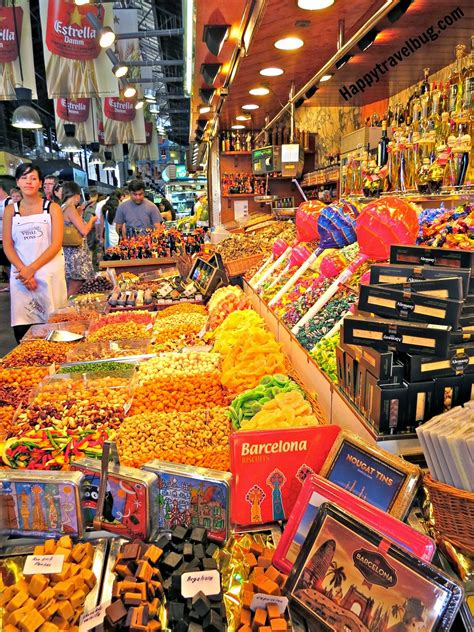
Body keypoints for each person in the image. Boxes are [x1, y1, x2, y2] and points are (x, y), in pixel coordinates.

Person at [2, 164, 67, 343]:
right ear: (17, 182)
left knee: (54, 323)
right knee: (24, 327)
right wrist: (24, 270)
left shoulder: (52, 208)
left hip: (48, 273)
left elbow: (56, 244)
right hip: (21, 275)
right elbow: (8, 244)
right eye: (24, 178)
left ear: (40, 183)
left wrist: (32, 269)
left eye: (33, 178)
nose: (28, 182)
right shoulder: (10, 211)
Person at [61, 181, 96, 296]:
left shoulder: (62, 208)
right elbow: (84, 230)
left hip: (68, 253)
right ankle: (66, 312)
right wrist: (92, 220)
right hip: (75, 255)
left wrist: (80, 210)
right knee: (74, 288)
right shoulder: (70, 209)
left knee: (72, 286)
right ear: (76, 195)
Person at [0, 180, 12, 286]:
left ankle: (12, 283)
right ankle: (9, 283)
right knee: (4, 262)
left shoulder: (9, 202)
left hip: (7, 237)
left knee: (8, 261)